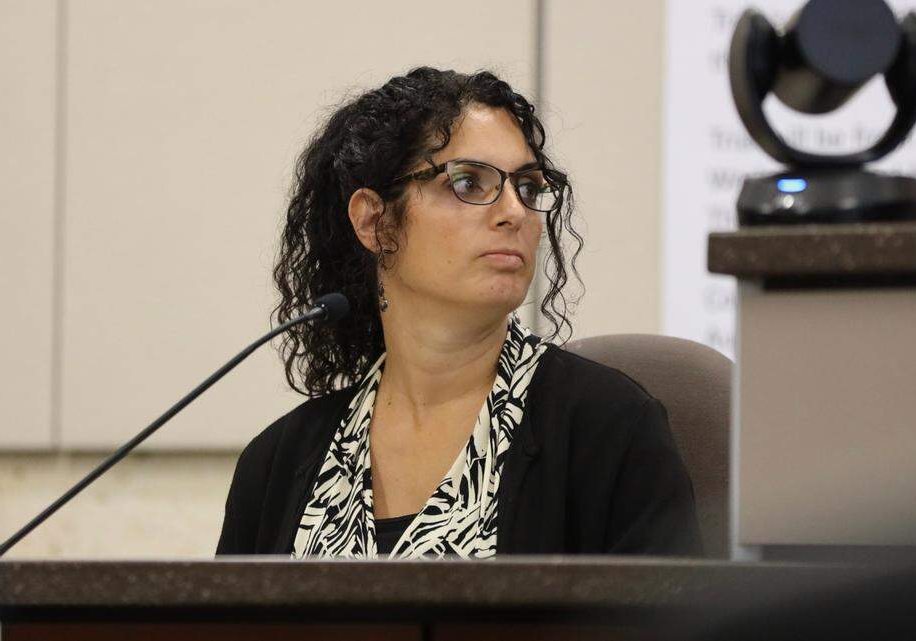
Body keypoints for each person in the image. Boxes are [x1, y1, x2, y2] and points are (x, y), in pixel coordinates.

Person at [217, 67, 701, 558]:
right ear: (375, 221)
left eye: (529, 188)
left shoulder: (610, 428)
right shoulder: (278, 461)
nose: (514, 211)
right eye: (469, 182)